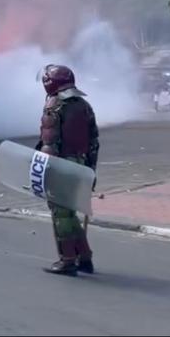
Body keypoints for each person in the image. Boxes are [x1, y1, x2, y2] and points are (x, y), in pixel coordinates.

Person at [36, 64, 99, 276]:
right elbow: (94, 143)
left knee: (61, 213)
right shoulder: (84, 105)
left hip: (61, 165)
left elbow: (49, 143)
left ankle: (67, 260)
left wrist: (44, 171)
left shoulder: (54, 105)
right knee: (70, 211)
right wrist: (91, 172)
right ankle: (84, 257)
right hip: (81, 165)